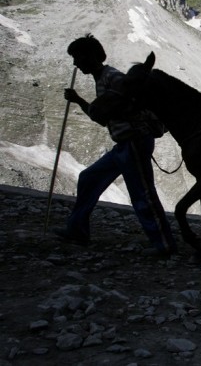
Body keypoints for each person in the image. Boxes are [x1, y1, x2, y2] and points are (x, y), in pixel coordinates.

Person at [52, 34, 177, 257]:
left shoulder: (113, 78)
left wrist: (81, 101)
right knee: (88, 178)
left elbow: (109, 112)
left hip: (134, 142)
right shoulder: (103, 79)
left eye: (77, 57)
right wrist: (79, 100)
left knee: (142, 194)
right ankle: (78, 231)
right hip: (124, 145)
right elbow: (102, 116)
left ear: (90, 57)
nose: (75, 63)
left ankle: (165, 245)